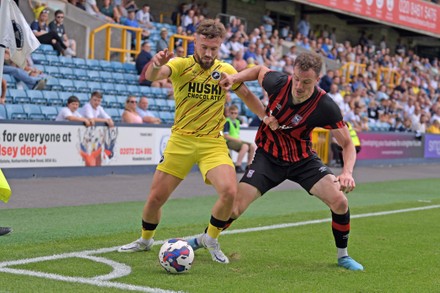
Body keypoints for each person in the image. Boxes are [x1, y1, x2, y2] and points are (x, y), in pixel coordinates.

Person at [188, 52, 364, 271]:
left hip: (302, 160)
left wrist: (347, 172)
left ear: (317, 80)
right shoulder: (279, 82)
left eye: (306, 82)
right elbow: (258, 70)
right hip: (268, 157)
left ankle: (343, 257)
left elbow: (347, 144)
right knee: (234, 208)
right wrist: (235, 78)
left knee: (340, 202)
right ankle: (203, 239)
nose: (299, 86)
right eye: (297, 78)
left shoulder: (325, 106)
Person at [118, 19, 267, 264]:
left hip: (212, 143)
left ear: (220, 46)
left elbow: (247, 95)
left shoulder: (226, 70)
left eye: (214, 49)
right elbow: (154, 75)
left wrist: (265, 117)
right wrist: (156, 65)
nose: (209, 53)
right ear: (194, 42)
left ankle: (210, 237)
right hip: (181, 141)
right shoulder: (180, 64)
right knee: (156, 198)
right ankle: (145, 240)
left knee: (230, 192)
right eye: (204, 47)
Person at [224, 104, 256, 173]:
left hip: (237, 140)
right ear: (229, 113)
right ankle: (238, 165)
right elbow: (225, 135)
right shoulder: (227, 121)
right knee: (245, 146)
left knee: (253, 146)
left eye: (235, 113)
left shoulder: (237, 122)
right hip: (229, 141)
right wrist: (237, 140)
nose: (233, 115)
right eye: (232, 113)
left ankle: (249, 165)